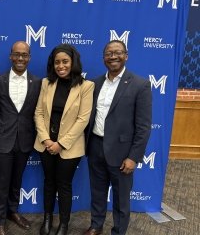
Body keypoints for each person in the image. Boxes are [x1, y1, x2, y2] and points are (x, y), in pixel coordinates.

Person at [83, 40, 152, 235]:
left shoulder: (140, 85)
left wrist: (133, 157)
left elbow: (144, 126)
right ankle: (96, 225)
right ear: (103, 57)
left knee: (121, 198)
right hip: (95, 146)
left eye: (118, 52)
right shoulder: (95, 83)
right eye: (109, 53)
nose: (113, 56)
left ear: (126, 56)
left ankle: (118, 231)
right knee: (97, 192)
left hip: (122, 154)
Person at [34, 44, 94, 235]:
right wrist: (46, 140)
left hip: (69, 147)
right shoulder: (46, 83)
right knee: (49, 183)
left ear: (73, 62)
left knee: (64, 185)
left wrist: (60, 144)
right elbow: (38, 113)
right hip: (45, 144)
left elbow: (83, 119)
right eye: (57, 62)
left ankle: (64, 224)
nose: (61, 66)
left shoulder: (86, 86)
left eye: (65, 61)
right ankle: (47, 219)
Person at [0, 41, 41, 235]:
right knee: (1, 183)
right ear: (11, 56)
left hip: (25, 140)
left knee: (16, 180)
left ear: (29, 58)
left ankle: (13, 211)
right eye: (17, 54)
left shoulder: (37, 83)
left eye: (25, 55)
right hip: (3, 140)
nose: (21, 58)